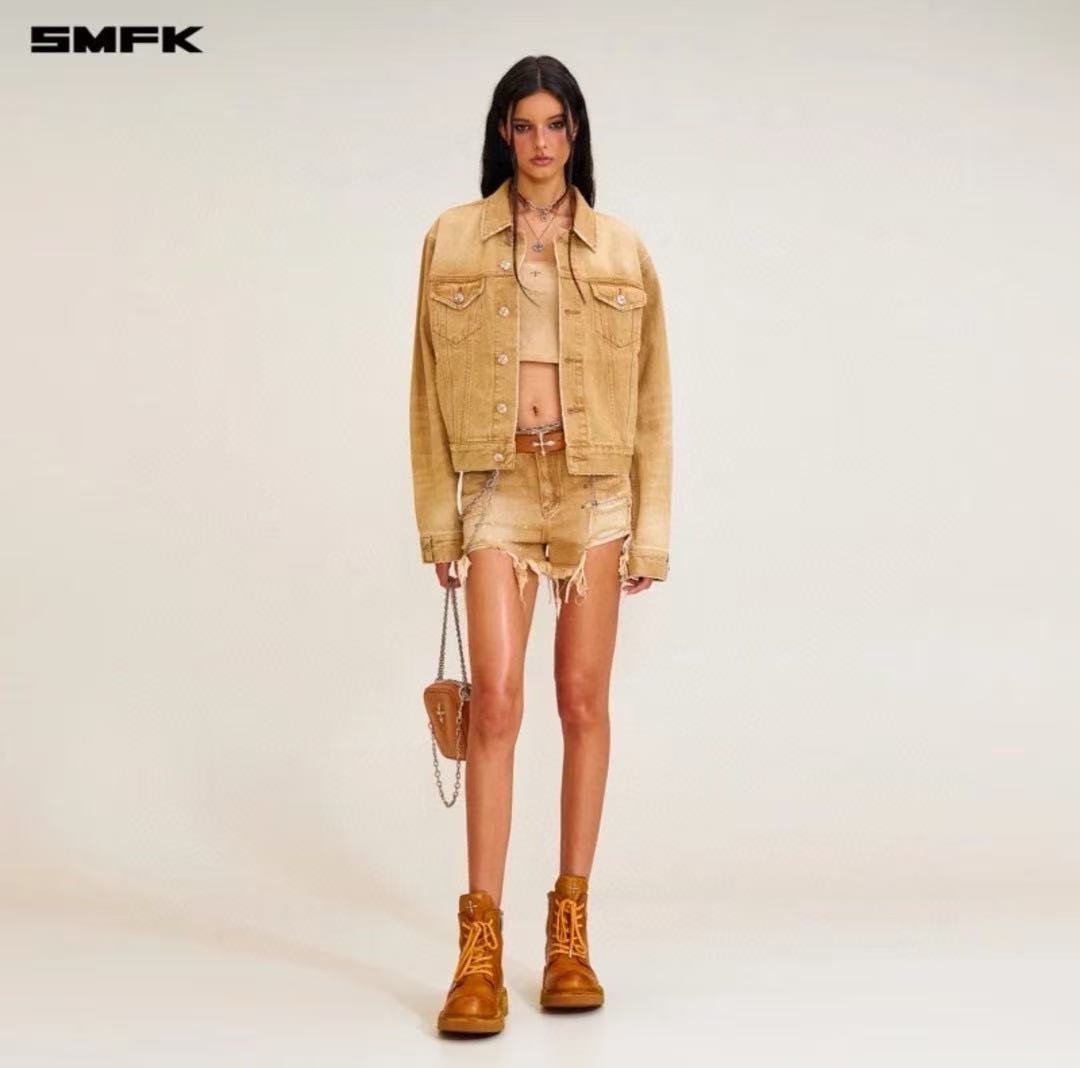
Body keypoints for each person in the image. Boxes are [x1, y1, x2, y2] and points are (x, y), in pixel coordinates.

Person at [408, 55, 673, 1035]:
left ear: (576, 133)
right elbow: (422, 390)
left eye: (555, 124)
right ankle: (478, 951)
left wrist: (651, 532)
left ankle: (570, 936)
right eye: (524, 125)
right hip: (497, 488)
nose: (541, 142)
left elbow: (653, 399)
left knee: (582, 700)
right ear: (503, 134)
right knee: (497, 702)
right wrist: (440, 521)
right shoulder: (451, 238)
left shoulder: (621, 249)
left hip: (595, 489)